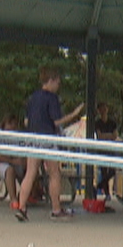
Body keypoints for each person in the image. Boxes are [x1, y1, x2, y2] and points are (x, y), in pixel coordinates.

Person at [12, 65, 84, 221]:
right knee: (54, 173)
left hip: (32, 138)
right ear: (51, 81)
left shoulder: (33, 97)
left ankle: (22, 207)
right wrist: (74, 115)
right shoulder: (52, 98)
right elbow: (57, 121)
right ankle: (56, 209)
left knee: (30, 174)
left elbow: (26, 120)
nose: (58, 86)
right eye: (57, 82)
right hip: (48, 138)